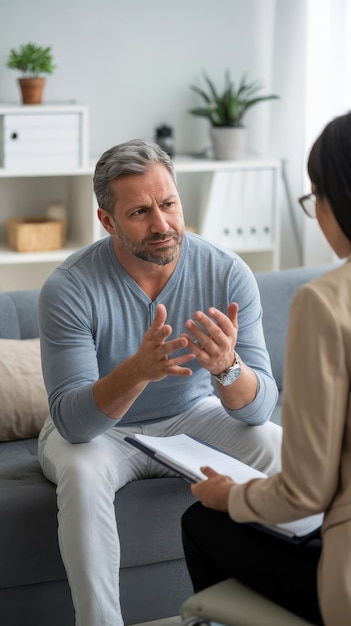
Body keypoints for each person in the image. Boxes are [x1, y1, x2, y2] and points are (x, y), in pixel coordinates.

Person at [37, 138, 281, 626]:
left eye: (169, 204)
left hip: (193, 416)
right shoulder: (68, 288)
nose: (162, 225)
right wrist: (137, 370)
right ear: (107, 221)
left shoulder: (228, 271)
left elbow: (259, 408)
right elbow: (73, 423)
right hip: (102, 432)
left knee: (275, 444)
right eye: (140, 212)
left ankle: (291, 603)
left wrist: (226, 368)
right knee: (82, 473)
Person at [181, 111, 351, 626]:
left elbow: (304, 490)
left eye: (314, 195)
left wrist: (228, 496)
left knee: (201, 521)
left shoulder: (325, 303)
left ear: (333, 197)